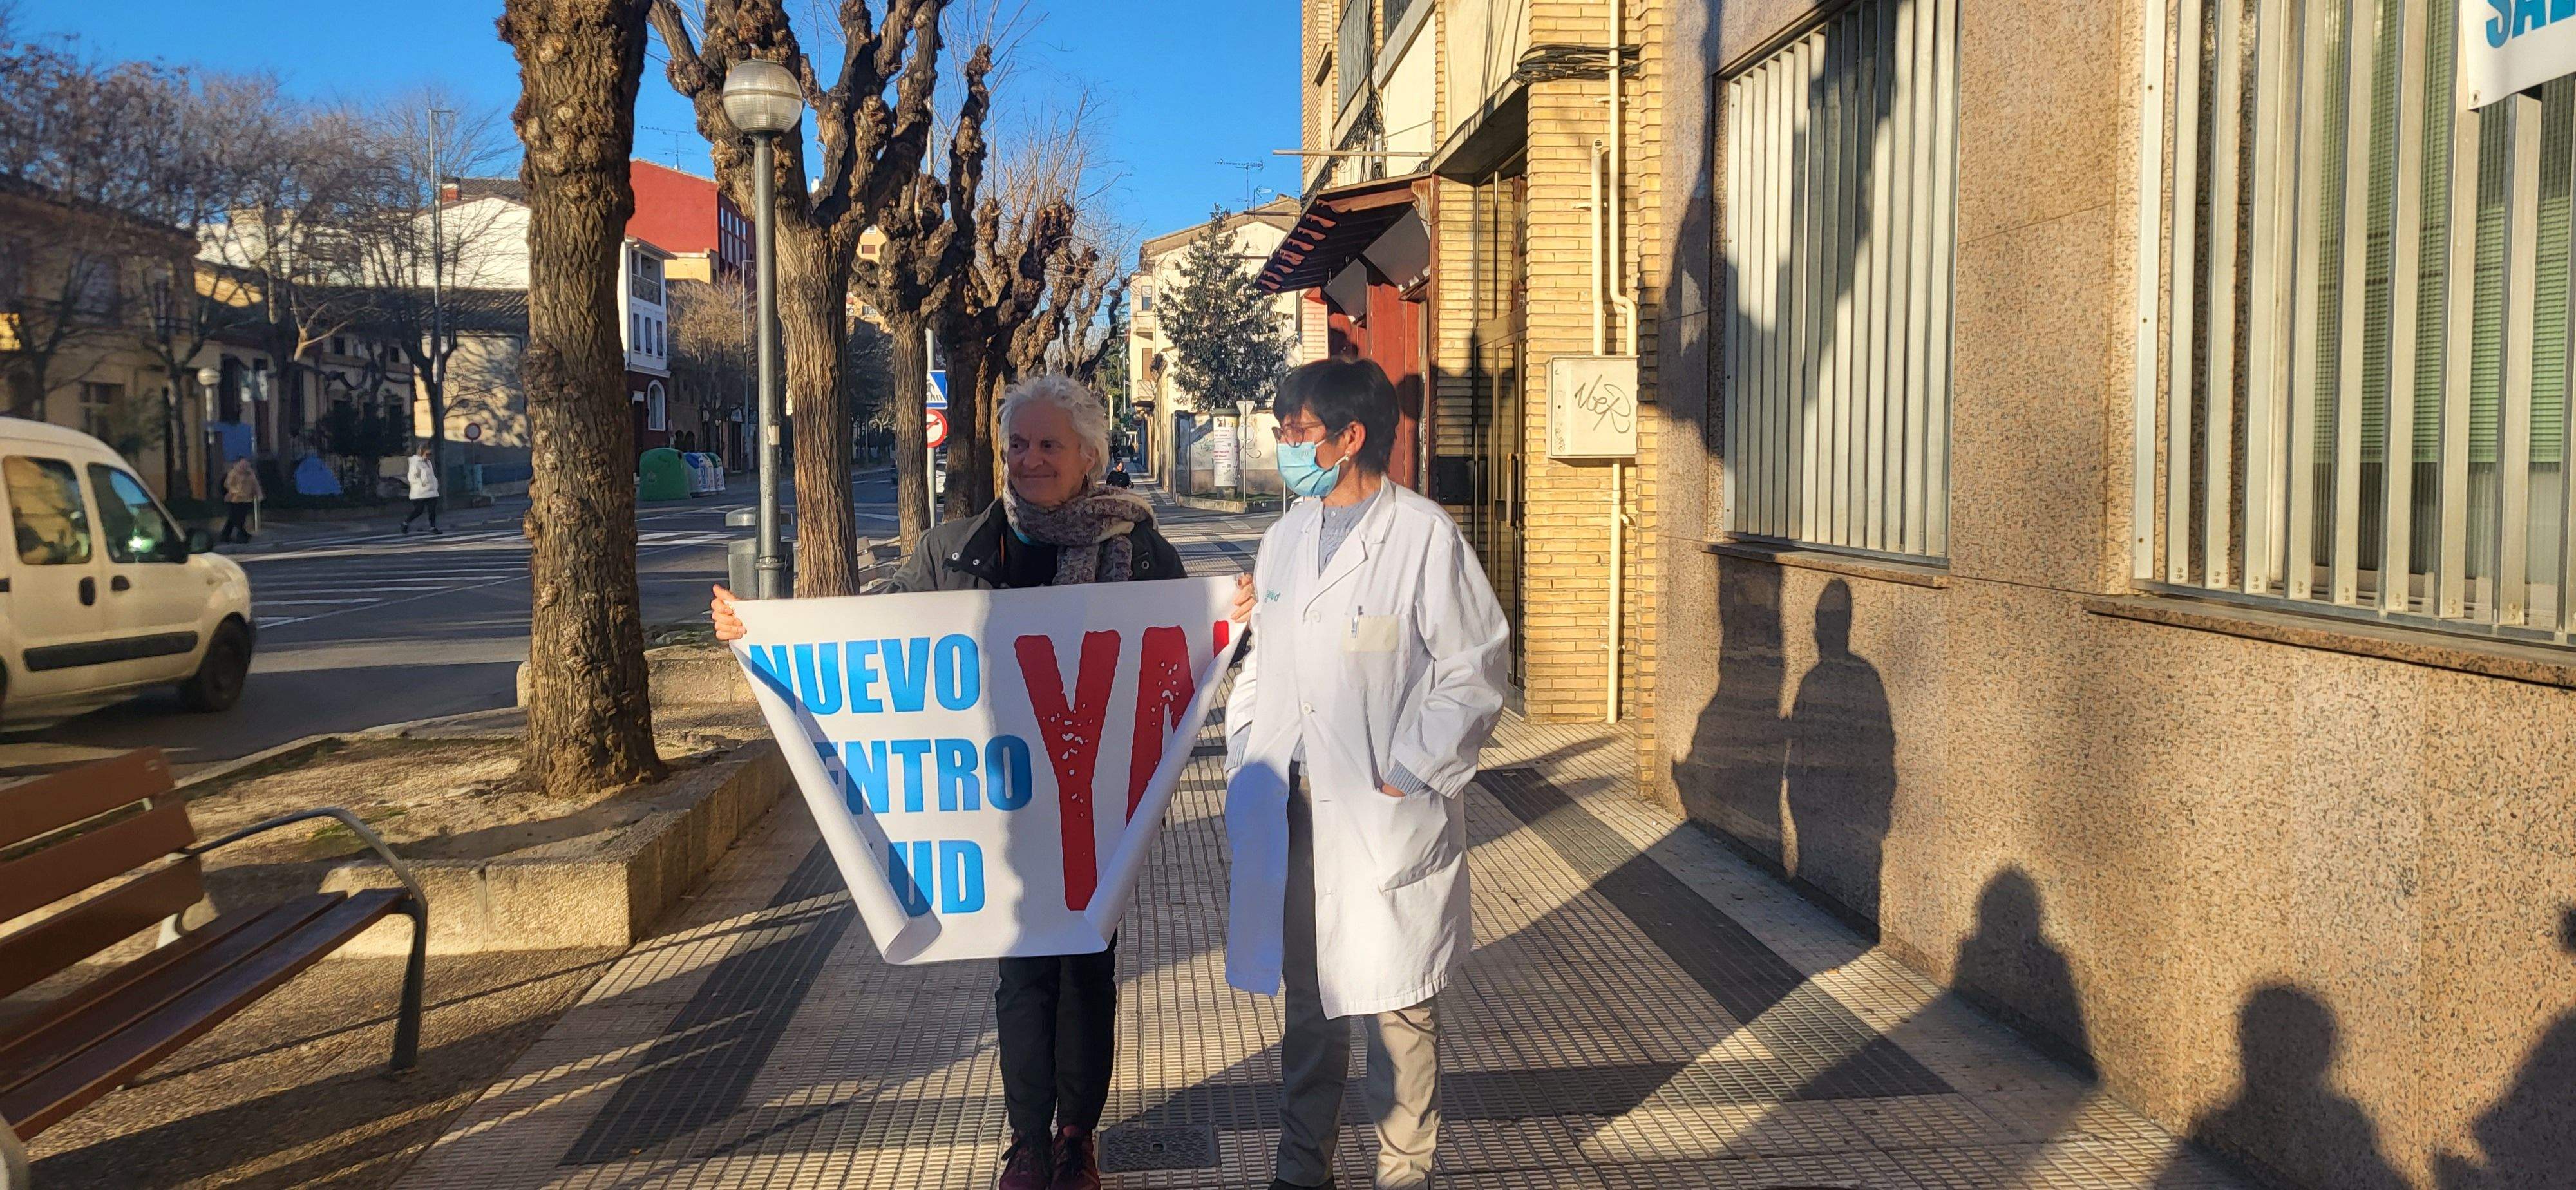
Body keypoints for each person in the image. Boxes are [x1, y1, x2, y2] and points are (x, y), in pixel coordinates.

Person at [711, 376, 1184, 1190]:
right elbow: (870, 636)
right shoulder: (957, 549)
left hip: (1093, 805)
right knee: (1021, 969)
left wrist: (1233, 621)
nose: (1028, 460)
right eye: (1017, 445)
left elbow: (1189, 654)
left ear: (1090, 458)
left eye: (1048, 446)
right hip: (994, 803)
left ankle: (1079, 1135)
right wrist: (764, 630)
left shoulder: (1137, 550)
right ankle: (1029, 1141)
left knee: (1087, 968)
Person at [1222, 358, 1511, 1190]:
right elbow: (1262, 672)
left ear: (1350, 439)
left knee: (1399, 1006)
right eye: (1281, 431)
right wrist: (1247, 763)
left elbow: (1476, 667)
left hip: (1384, 814)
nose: (1284, 445)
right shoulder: (1283, 540)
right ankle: (1301, 1169)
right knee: (1309, 1006)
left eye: (1298, 432)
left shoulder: (1422, 538)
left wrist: (1411, 771)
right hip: (1294, 809)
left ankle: (1403, 1172)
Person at [219, 457, 261, 544]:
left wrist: (259, 495)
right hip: (234, 499)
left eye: (246, 465)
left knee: (236, 518)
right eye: (242, 465)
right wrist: (235, 492)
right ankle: (241, 536)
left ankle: (226, 535)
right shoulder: (233, 473)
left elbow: (255, 484)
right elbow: (228, 485)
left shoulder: (250, 474)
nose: (244, 467)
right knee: (237, 519)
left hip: (246, 499)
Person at [402, 444, 440, 535]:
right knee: (419, 510)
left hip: (432, 491)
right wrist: (422, 483)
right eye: (428, 454)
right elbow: (412, 477)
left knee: (432, 510)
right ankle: (405, 523)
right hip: (420, 492)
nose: (429, 456)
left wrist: (434, 483)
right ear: (422, 453)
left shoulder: (429, 463)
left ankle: (433, 527)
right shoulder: (416, 463)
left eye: (431, 454)